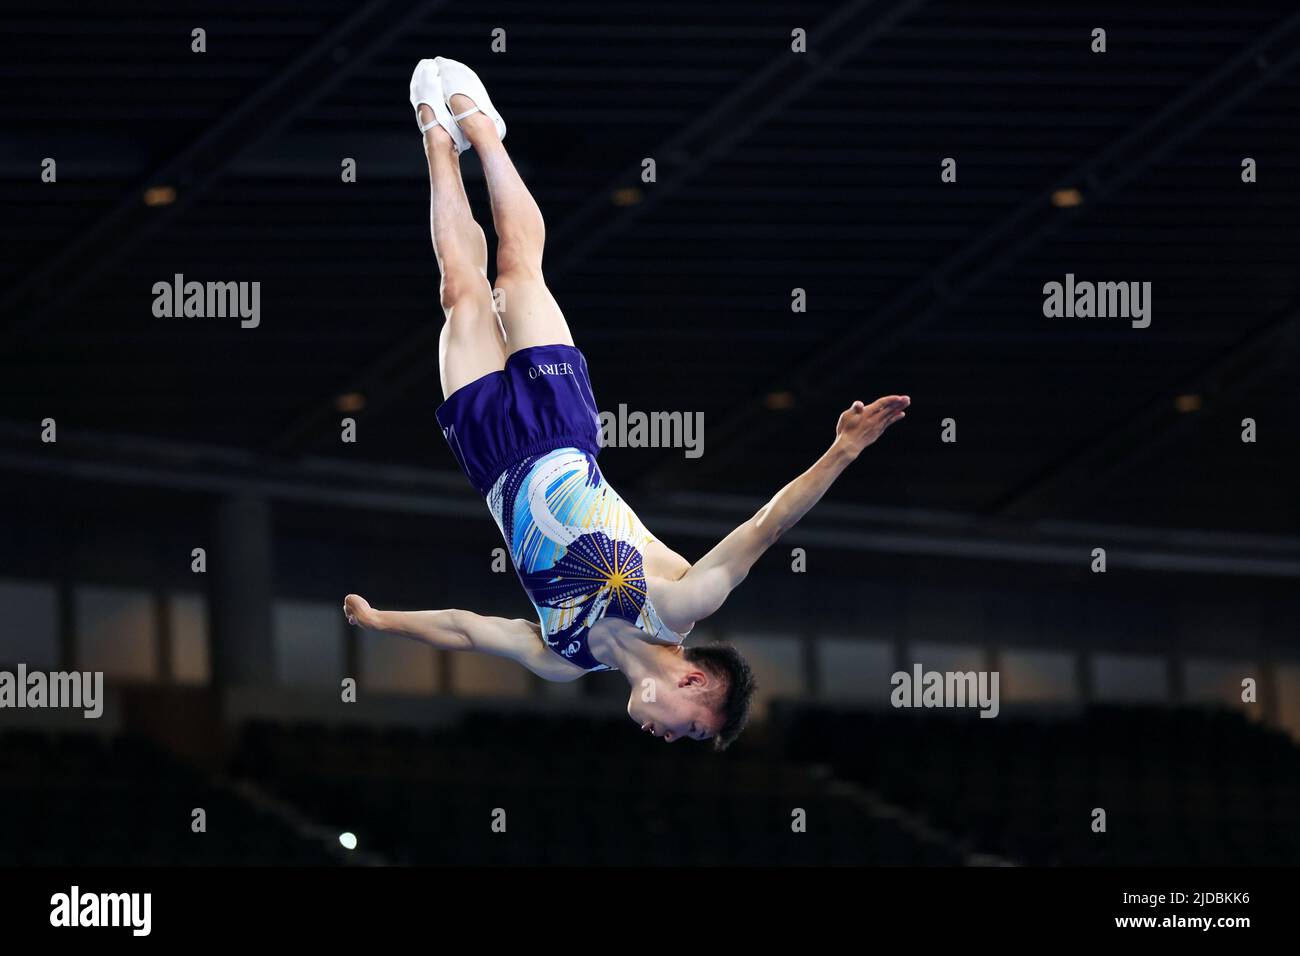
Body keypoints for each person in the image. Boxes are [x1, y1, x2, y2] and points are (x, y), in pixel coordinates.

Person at [344, 57, 910, 750]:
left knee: (459, 292)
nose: (670, 739)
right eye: (690, 732)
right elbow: (767, 527)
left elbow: (466, 629)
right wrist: (842, 451)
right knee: (518, 270)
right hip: (560, 430)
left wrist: (382, 621)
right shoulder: (681, 603)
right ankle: (486, 136)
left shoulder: (563, 660)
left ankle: (436, 140)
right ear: (696, 684)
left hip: (492, 459)